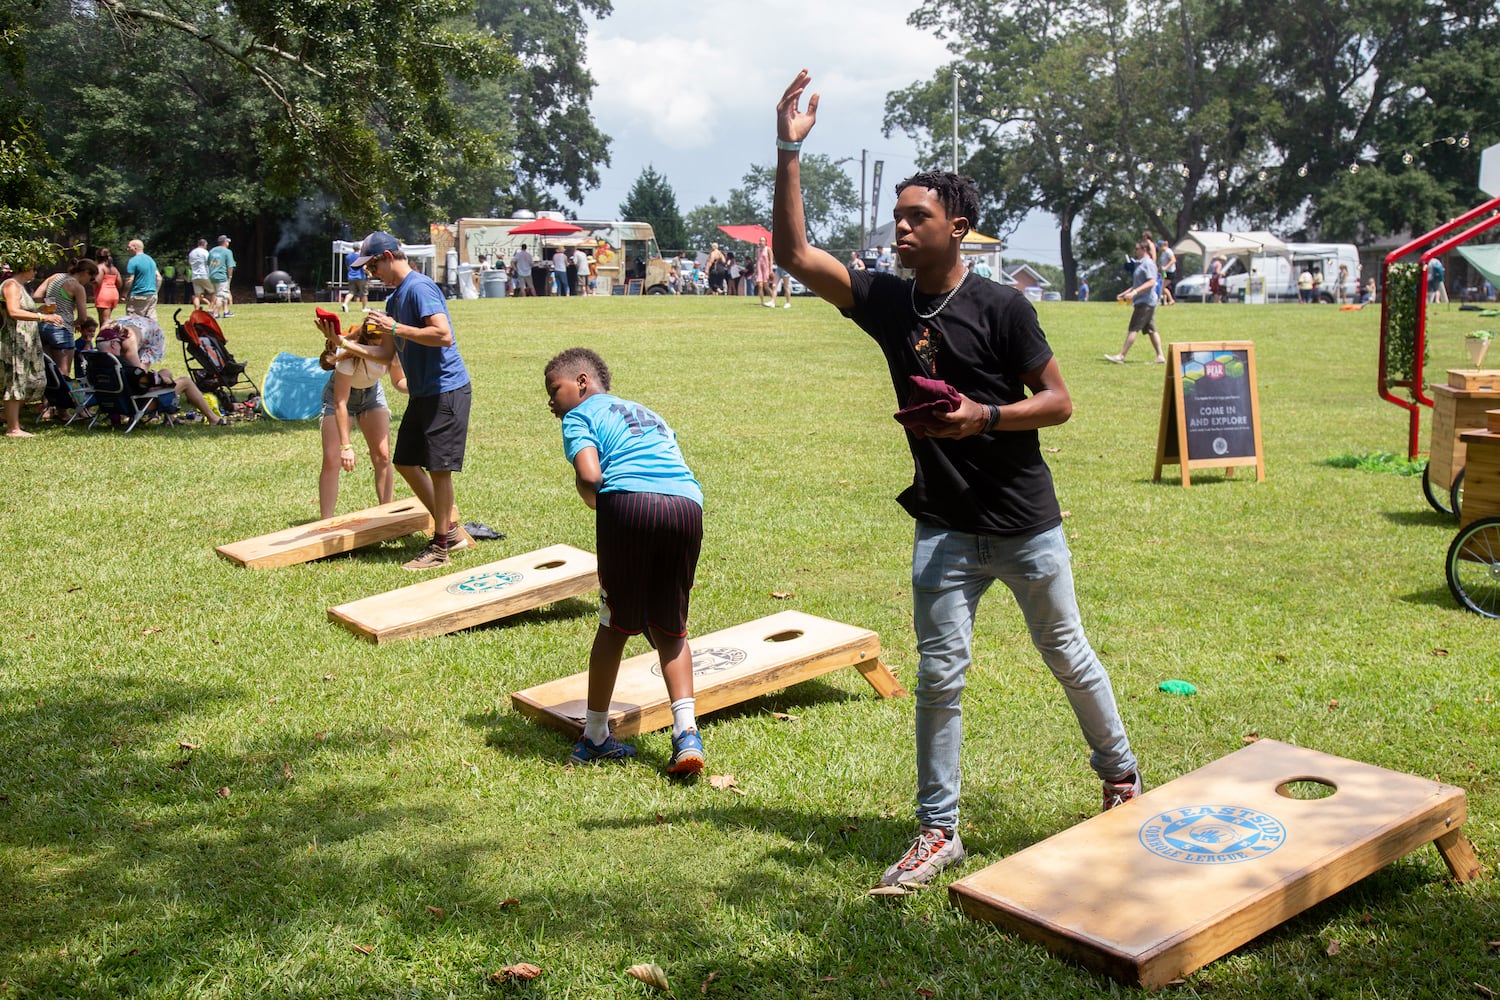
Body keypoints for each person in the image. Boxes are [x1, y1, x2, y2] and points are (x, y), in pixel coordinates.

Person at [773, 70, 1142, 892]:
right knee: (939, 677)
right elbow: (794, 255)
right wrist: (788, 148)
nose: (900, 228)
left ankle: (1121, 779)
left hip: (1022, 521)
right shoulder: (888, 305)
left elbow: (1059, 402)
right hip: (941, 524)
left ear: (959, 228)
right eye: (899, 216)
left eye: (917, 217)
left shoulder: (1003, 307)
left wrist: (984, 418)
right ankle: (938, 830)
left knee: (1068, 655)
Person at [543, 347, 706, 776]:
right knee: (672, 628)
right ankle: (686, 732)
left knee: (613, 623)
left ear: (581, 381)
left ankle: (595, 734)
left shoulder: (579, 416)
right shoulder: (645, 410)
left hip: (629, 504)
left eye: (553, 389)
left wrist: (610, 510)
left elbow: (591, 476)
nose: (550, 402)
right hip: (687, 507)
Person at [340, 232, 472, 571]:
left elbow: (443, 335)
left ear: (387, 256)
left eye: (371, 265)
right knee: (405, 461)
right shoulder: (394, 300)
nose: (369, 272)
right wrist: (343, 343)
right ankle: (453, 532)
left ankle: (440, 547)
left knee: (440, 469)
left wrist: (396, 327)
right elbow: (385, 354)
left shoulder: (419, 288)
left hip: (446, 389)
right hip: (423, 392)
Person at [314, 311, 408, 518]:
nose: (381, 348)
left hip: (372, 395)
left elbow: (398, 381)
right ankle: (325, 521)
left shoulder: (392, 348)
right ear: (369, 340)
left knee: (383, 455)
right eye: (377, 344)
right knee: (332, 459)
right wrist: (346, 447)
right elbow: (340, 402)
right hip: (340, 398)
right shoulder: (350, 356)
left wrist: (417, 386)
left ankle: (386, 514)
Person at [93, 322, 227, 426]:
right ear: (112, 344)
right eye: (118, 343)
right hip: (137, 403)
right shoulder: (120, 364)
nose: (120, 346)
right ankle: (213, 418)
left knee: (166, 371)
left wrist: (161, 377)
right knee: (185, 381)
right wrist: (162, 381)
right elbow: (141, 380)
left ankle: (171, 417)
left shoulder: (97, 362)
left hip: (114, 401)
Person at [2, 260, 49, 437]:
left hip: (27, 342)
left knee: (33, 380)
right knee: (15, 380)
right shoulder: (11, 285)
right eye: (35, 269)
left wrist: (41, 310)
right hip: (14, 341)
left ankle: (7, 417)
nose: (36, 273)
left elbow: (24, 310)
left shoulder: (21, 286)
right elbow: (13, 311)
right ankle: (13, 428)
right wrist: (42, 317)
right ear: (26, 268)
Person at [35, 258, 97, 382]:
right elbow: (83, 317)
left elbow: (37, 296)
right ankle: (62, 401)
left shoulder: (55, 277)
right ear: (86, 272)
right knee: (63, 372)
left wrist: (50, 303)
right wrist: (74, 323)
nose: (89, 282)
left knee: (48, 369)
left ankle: (47, 400)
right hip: (61, 329)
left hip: (43, 326)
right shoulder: (77, 287)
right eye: (91, 279)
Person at [1106, 241, 1164, 363]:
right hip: (1143, 301)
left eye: (1137, 248)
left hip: (1146, 302)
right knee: (1151, 330)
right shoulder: (1140, 264)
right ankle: (1160, 356)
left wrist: (1135, 293)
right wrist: (1124, 293)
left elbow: (1151, 282)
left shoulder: (1148, 264)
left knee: (1133, 328)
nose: (1135, 251)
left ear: (1144, 249)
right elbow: (1138, 285)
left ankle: (1121, 356)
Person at [123, 239, 161, 321]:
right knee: (151, 321)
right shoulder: (151, 260)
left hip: (138, 295)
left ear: (135, 248)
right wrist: (155, 291)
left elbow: (129, 279)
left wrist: (124, 294)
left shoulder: (133, 261)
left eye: (129, 247)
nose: (127, 249)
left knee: (134, 321)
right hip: (152, 295)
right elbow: (158, 277)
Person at [207, 235, 235, 318]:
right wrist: (229, 277)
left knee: (222, 293)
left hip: (212, 275)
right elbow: (230, 266)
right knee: (221, 295)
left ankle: (226, 311)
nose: (228, 243)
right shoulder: (227, 252)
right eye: (227, 242)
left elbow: (208, 263)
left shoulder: (212, 251)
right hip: (221, 276)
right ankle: (216, 313)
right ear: (225, 242)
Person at [93, 248, 122, 326]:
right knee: (107, 319)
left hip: (103, 295)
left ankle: (105, 337)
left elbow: (97, 282)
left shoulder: (100, 267)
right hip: (114, 294)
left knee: (104, 321)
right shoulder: (114, 268)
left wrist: (89, 280)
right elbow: (120, 283)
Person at [341, 248, 369, 313]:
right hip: (360, 276)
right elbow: (363, 267)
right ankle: (364, 308)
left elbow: (348, 267)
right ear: (359, 248)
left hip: (351, 276)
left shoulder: (348, 256)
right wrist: (369, 273)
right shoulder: (361, 256)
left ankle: (345, 304)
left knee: (351, 292)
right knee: (364, 293)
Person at [188, 239, 213, 311]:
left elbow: (190, 264)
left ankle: (196, 310)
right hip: (204, 274)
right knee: (214, 292)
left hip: (195, 275)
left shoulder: (192, 253)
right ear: (204, 245)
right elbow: (209, 263)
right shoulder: (205, 252)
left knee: (197, 295)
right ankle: (210, 309)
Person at [755, 236, 776, 306]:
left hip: (766, 269)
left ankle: (773, 299)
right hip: (759, 269)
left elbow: (771, 260)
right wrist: (756, 270)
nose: (761, 242)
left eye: (763, 241)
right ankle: (762, 302)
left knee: (766, 286)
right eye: (760, 240)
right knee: (760, 286)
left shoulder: (768, 249)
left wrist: (771, 270)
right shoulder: (758, 250)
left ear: (765, 242)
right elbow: (757, 260)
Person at [1156, 240, 1177, 305]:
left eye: (1158, 247)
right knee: (1162, 287)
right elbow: (1163, 263)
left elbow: (1173, 260)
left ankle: (1171, 300)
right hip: (1165, 273)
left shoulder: (1168, 251)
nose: (1158, 249)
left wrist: (1166, 267)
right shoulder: (1163, 253)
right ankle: (1166, 301)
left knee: (1161, 287)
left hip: (1170, 272)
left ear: (1161, 246)